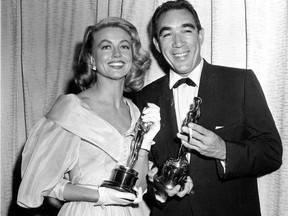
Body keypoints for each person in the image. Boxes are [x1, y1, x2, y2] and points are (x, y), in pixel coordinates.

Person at [132, 0, 283, 215]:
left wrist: (223, 151)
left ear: (200, 35)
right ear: (156, 44)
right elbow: (143, 173)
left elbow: (271, 153)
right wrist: (158, 187)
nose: (178, 43)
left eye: (186, 31)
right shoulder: (143, 98)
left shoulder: (240, 82)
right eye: (167, 34)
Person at [17, 17, 161, 216]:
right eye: (106, 47)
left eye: (125, 46)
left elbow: (139, 187)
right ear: (92, 60)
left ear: (133, 57)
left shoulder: (136, 112)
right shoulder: (71, 109)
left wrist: (144, 145)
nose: (117, 54)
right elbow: (39, 185)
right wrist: (100, 195)